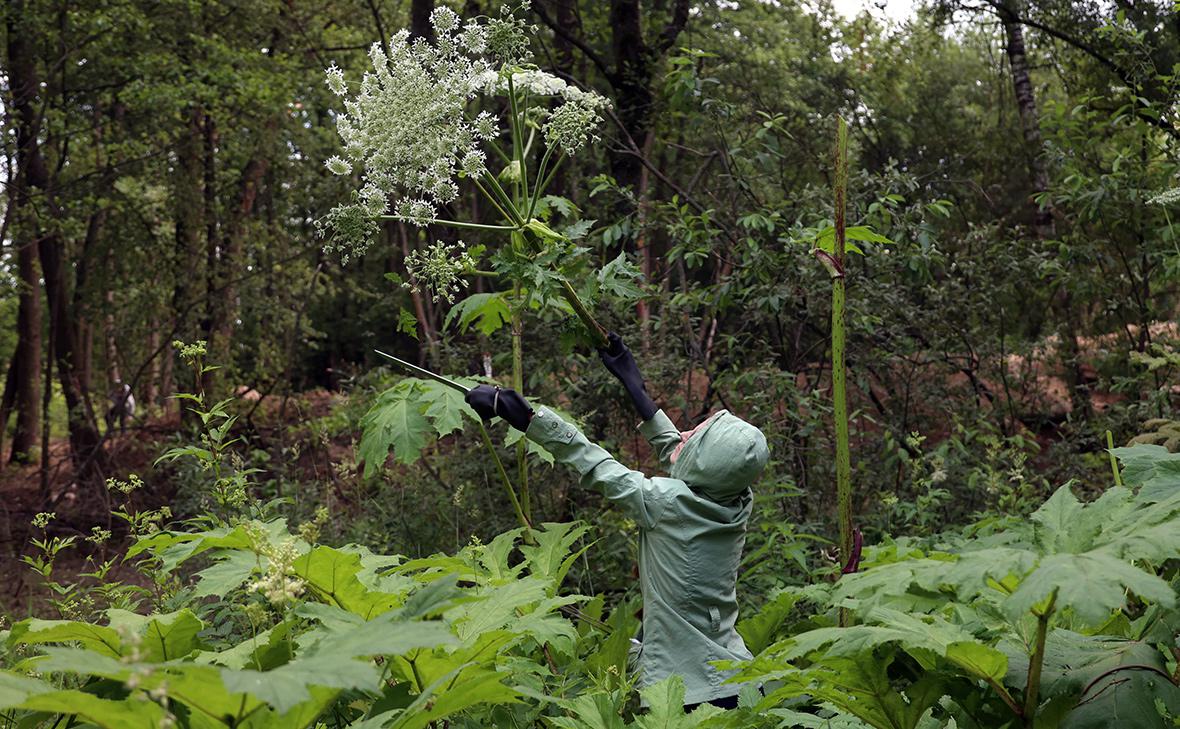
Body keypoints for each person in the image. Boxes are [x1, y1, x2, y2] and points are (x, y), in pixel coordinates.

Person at [465, 332, 769, 712]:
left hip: (692, 693)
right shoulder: (737, 498)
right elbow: (683, 456)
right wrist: (632, 383)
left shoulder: (666, 504)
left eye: (695, 437)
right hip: (738, 676)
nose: (686, 433)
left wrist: (525, 417)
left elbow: (596, 465)